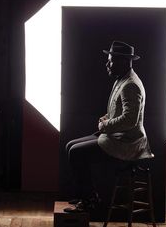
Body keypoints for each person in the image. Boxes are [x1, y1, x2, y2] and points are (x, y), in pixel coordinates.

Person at [65, 41, 153, 212]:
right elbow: (121, 111)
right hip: (117, 136)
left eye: (111, 60)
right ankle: (86, 195)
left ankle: (90, 200)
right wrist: (107, 118)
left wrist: (105, 125)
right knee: (70, 146)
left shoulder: (130, 85)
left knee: (76, 152)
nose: (107, 64)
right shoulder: (122, 79)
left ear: (123, 61)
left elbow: (129, 121)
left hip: (128, 143)